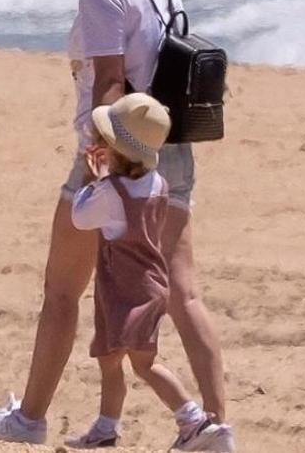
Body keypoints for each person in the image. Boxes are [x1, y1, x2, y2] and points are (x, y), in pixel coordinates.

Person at [0, 0, 233, 451]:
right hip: (172, 147)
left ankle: (29, 418)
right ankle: (216, 425)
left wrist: (98, 158)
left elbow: (110, 82)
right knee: (184, 292)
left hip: (119, 152)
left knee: (63, 289)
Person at [63, 93, 228, 451]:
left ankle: (193, 420)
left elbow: (80, 217)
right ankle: (106, 425)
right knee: (108, 355)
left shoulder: (111, 193)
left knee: (143, 363)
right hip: (144, 284)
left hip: (127, 289)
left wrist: (91, 180)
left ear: (115, 150)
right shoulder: (157, 185)